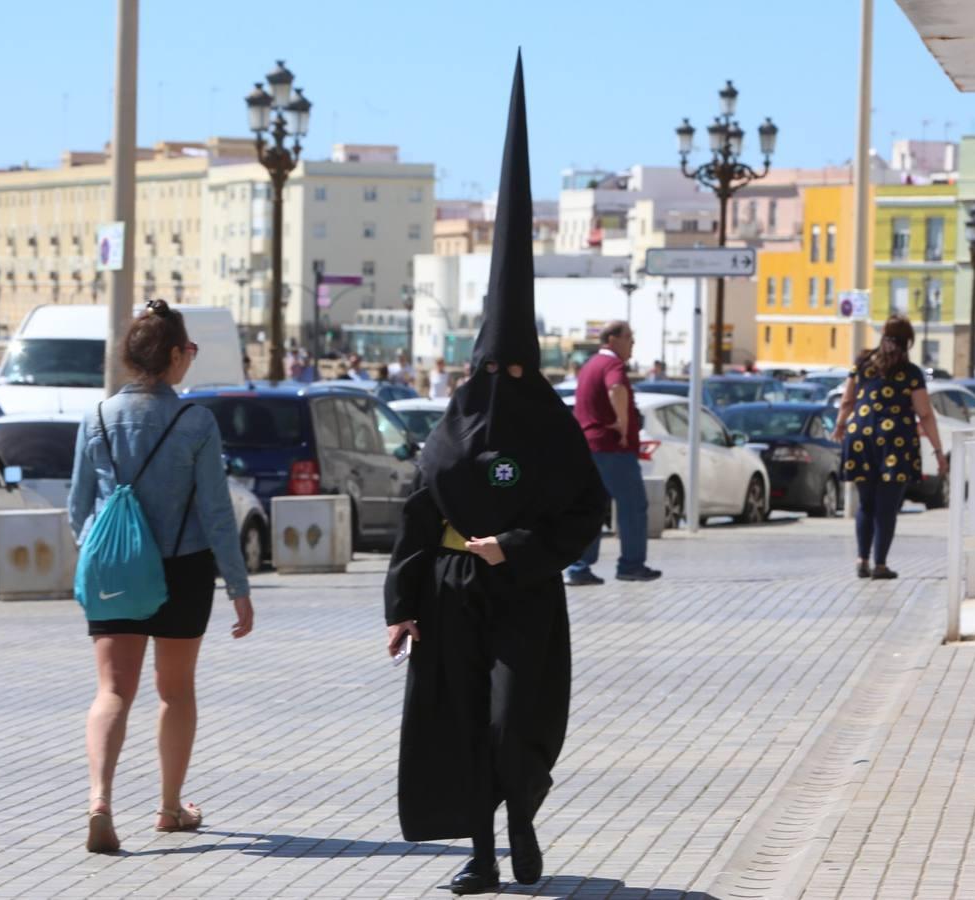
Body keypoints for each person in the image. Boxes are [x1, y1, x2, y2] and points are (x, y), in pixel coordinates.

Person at [384, 53, 606, 896]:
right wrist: (402, 606)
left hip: (525, 593)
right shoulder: (446, 437)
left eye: (519, 372)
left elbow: (585, 510)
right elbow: (414, 513)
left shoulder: (551, 433)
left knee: (516, 721)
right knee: (465, 724)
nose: (504, 387)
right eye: (493, 372)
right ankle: (481, 851)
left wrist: (518, 544)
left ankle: (523, 823)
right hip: (451, 594)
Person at [67, 299, 254, 854]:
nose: (189, 361)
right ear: (174, 355)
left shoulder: (95, 418)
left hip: (116, 570)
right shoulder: (195, 421)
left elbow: (79, 509)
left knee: (112, 690)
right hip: (184, 568)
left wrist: (107, 553)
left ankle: (100, 800)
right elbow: (218, 514)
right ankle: (170, 808)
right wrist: (239, 588)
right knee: (174, 691)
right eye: (188, 351)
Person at [832, 315, 946, 579]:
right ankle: (880, 564)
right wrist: (939, 452)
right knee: (887, 506)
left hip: (860, 436)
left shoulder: (862, 363)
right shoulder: (910, 373)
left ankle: (862, 560)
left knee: (866, 503)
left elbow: (848, 400)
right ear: (907, 343)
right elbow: (925, 414)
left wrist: (840, 425)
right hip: (895, 441)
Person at [564, 321, 661, 586]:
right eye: (629, 337)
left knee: (593, 507)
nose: (633, 343)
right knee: (633, 506)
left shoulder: (590, 365)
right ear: (612, 340)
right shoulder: (612, 365)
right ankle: (631, 565)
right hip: (611, 448)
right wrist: (622, 424)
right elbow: (616, 388)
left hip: (588, 447)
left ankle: (579, 567)